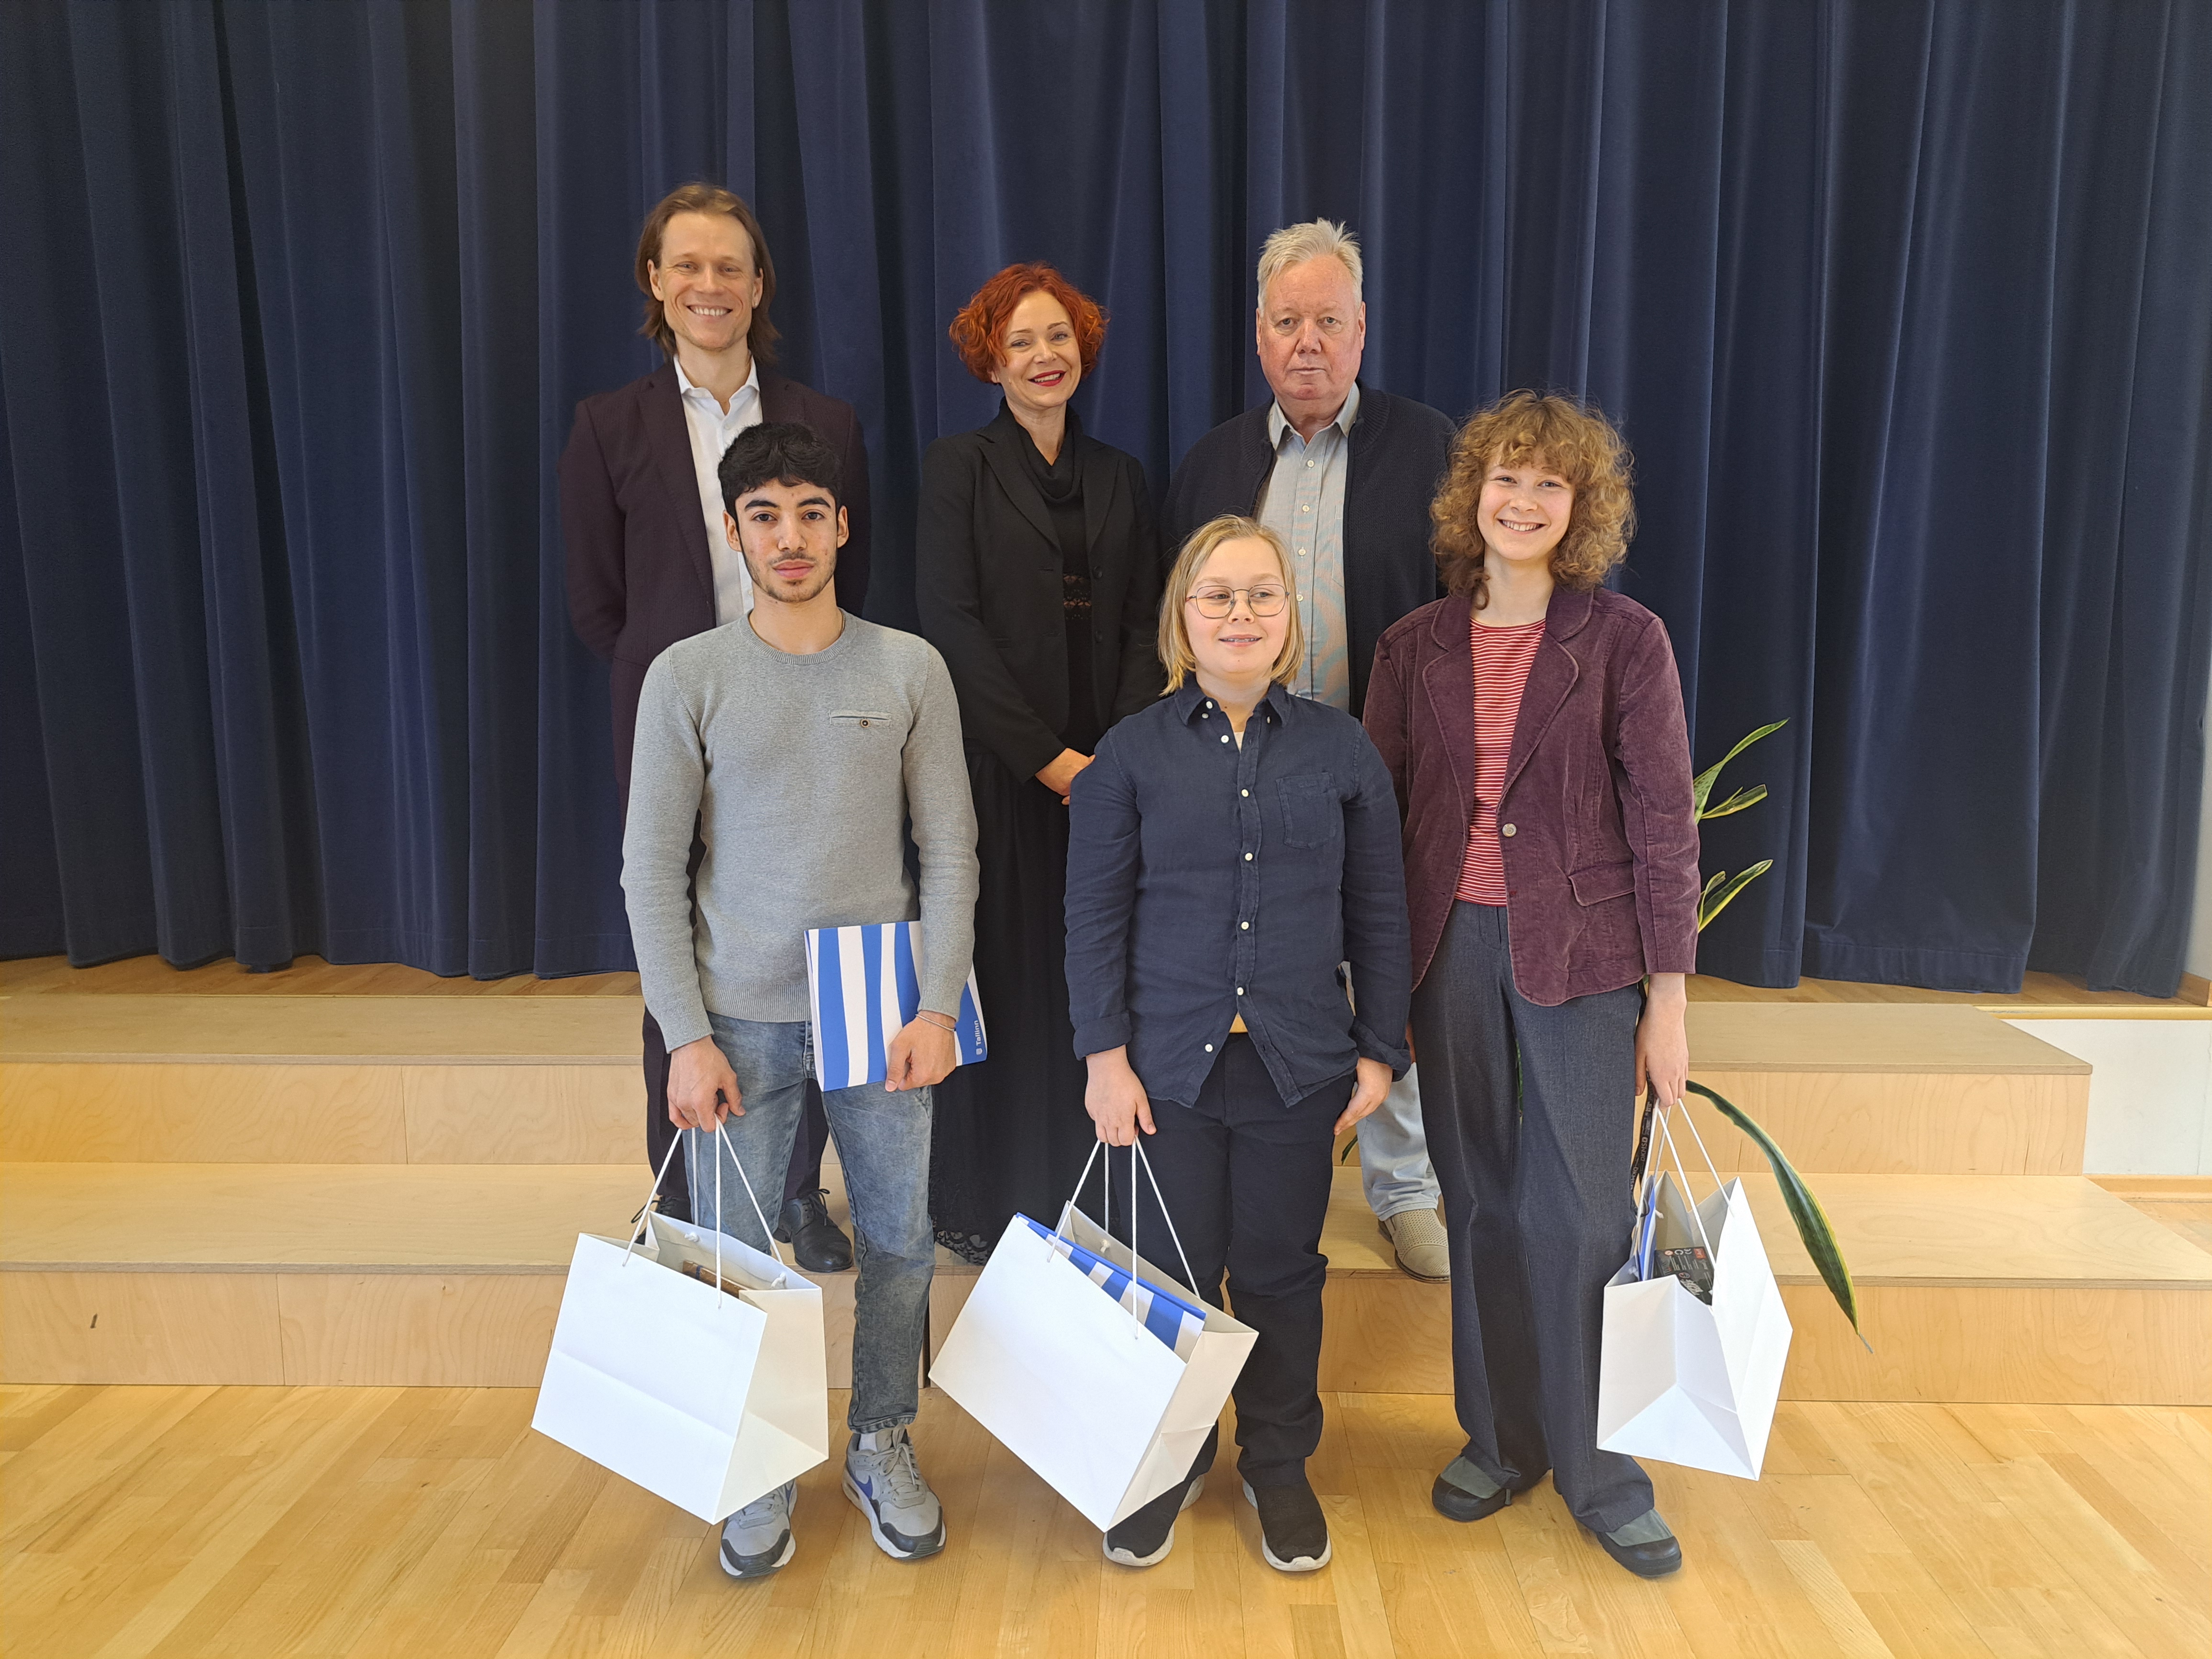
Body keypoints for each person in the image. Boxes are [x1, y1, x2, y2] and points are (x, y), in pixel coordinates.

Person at [623, 420, 978, 1578]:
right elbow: (650, 870)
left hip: (882, 1011)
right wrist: (684, 1036)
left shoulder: (909, 668)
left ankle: (880, 1441)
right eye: (764, 516)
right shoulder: (686, 676)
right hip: (738, 1016)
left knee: (900, 1240)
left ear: (842, 527)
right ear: (733, 532)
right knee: (739, 1258)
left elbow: (950, 849)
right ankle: (758, 1460)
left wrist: (937, 1005)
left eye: (810, 514)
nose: (790, 537)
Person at [1362, 392, 1700, 1579]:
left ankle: (1600, 1472)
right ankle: (1501, 1441)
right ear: (1472, 495)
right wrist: (1376, 986)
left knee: (1585, 1215)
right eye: (1505, 478)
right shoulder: (1411, 646)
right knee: (1479, 1204)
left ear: (1580, 506)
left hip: (1585, 959)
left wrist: (1667, 1000)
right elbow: (1380, 824)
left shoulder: (1624, 641)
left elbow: (1664, 825)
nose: (1522, 501)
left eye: (1548, 483)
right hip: (1448, 949)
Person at [1065, 515, 1410, 1574]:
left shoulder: (1341, 750)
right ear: (1183, 617)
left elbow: (1380, 910)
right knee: (1166, 1280)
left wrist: (1378, 1048)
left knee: (1278, 1277)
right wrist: (1103, 1058)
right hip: (1162, 1072)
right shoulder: (1129, 754)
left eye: (1262, 595)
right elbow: (1093, 918)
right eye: (1217, 595)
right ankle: (1166, 1467)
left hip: (1296, 1069)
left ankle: (1277, 1465)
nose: (1240, 614)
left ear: (1290, 619)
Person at [562, 183, 862, 1265]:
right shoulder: (608, 426)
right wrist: (687, 689)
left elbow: (850, 575)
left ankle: (794, 1193)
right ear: (656, 282)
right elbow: (598, 603)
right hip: (677, 726)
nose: (708, 284)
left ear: (759, 284)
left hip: (812, 723)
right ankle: (683, 1198)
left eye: (729, 265)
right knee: (679, 953)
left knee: (808, 953)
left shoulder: (824, 422)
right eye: (685, 265)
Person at [1162, 219, 1454, 1282]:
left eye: (1328, 321)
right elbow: (1181, 615)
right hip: (1243, 771)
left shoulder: (1431, 450)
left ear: (1361, 329)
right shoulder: (1213, 462)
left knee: (1385, 963)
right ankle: (1258, 1180)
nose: (1308, 344)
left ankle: (1405, 1186)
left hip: (1379, 768)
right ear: (1258, 336)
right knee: (1261, 965)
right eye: (1287, 322)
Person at [915, 263, 1164, 1262]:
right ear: (990, 362)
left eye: (1058, 336)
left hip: (1113, 773)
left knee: (1095, 979)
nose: (1043, 355)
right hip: (1003, 774)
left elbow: (1148, 619)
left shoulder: (1121, 475)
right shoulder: (957, 469)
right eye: (1019, 341)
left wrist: (1114, 754)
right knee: (1010, 981)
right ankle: (996, 1202)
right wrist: (1052, 762)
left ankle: (1091, 1197)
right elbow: (952, 627)